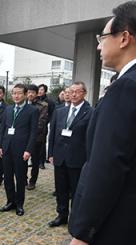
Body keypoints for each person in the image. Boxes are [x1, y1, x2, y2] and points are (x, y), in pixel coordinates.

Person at [69, 2, 136, 245]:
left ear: (124, 38)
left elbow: (107, 165)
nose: (98, 45)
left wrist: (82, 232)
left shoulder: (129, 86)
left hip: (118, 221)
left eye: (103, 37)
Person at [47, 81, 92, 228]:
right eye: (71, 91)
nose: (73, 94)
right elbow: (52, 133)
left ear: (84, 93)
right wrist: (51, 153)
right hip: (59, 157)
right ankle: (62, 215)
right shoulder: (60, 111)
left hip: (78, 159)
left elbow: (90, 138)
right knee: (61, 189)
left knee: (77, 190)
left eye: (77, 91)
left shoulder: (90, 112)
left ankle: (75, 218)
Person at [0, 83, 38, 216]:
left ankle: (19, 204)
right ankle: (10, 201)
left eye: (19, 93)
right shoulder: (8, 109)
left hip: (22, 150)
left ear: (25, 94)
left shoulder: (32, 110)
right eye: (14, 93)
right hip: (7, 148)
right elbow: (3, 129)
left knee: (20, 178)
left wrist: (29, 150)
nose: (16, 95)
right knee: (8, 177)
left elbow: (33, 132)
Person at [25, 84, 48, 190]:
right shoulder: (22, 104)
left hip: (36, 138)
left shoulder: (43, 105)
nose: (30, 94)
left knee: (35, 162)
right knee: (22, 160)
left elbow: (41, 123)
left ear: (36, 93)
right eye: (28, 92)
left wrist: (28, 132)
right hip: (23, 138)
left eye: (32, 92)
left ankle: (32, 181)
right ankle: (23, 179)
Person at [37, 84, 55, 169]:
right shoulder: (35, 100)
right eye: (39, 89)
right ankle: (34, 161)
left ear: (45, 91)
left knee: (42, 143)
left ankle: (41, 162)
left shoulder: (49, 102)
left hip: (44, 125)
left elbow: (52, 114)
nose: (40, 91)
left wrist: (48, 122)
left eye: (41, 90)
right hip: (35, 124)